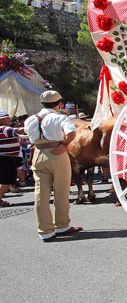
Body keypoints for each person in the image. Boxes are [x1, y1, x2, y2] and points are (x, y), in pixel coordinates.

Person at [24, 91, 82, 241]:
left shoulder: (31, 119)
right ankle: (62, 225)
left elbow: (29, 136)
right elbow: (71, 133)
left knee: (40, 194)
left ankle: (45, 231)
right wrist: (64, 145)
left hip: (38, 153)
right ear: (59, 104)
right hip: (57, 154)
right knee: (61, 191)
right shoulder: (60, 117)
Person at [0, 110, 26, 207]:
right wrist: (31, 126)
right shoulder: (4, 129)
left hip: (4, 158)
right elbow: (19, 131)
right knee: (6, 181)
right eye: (8, 118)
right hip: (7, 159)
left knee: (5, 180)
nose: (10, 119)